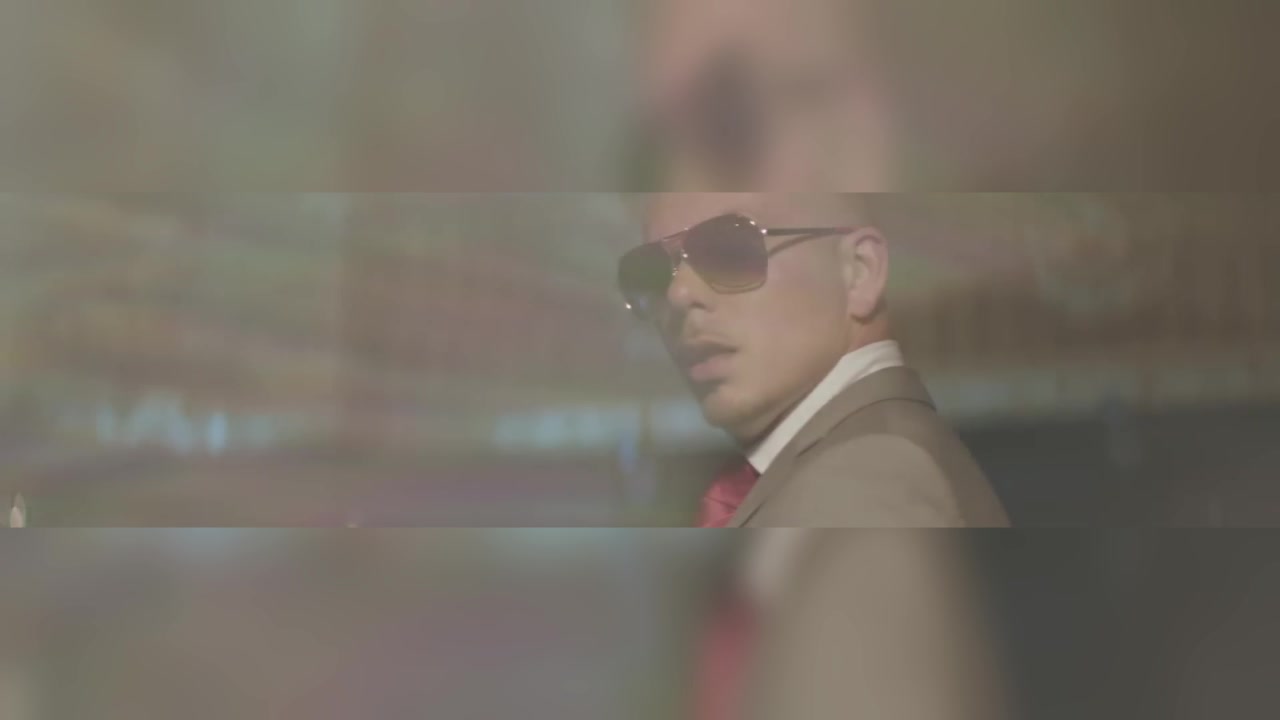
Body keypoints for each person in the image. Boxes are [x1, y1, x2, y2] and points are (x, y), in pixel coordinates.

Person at [617, 192, 1009, 528]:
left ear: (860, 271)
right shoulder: (856, 465)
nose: (679, 294)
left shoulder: (869, 481)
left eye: (729, 250)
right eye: (653, 274)